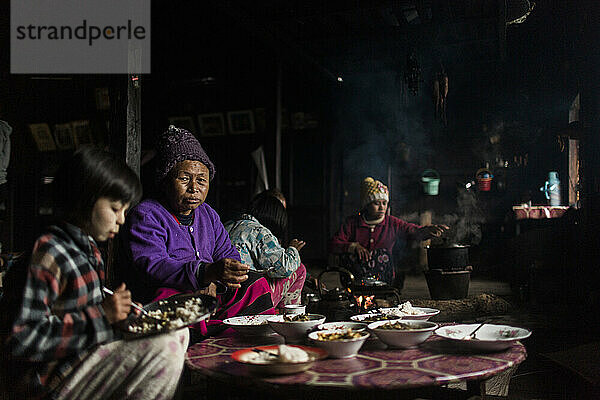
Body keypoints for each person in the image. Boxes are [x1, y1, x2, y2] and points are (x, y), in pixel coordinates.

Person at [0, 147, 188, 400]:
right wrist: (102, 316)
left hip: (78, 361)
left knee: (178, 330)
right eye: (114, 208)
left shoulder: (89, 250)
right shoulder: (49, 252)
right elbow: (20, 341)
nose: (121, 220)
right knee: (166, 347)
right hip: (48, 382)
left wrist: (120, 317)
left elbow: (79, 315)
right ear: (83, 198)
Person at [121, 126, 274, 336]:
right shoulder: (147, 214)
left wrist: (218, 278)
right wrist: (203, 273)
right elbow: (153, 265)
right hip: (175, 292)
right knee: (167, 298)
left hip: (213, 291)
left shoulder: (208, 214)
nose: (194, 187)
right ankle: (203, 338)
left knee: (256, 284)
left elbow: (228, 253)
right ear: (165, 181)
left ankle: (237, 335)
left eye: (201, 180)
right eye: (184, 179)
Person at [329, 177, 448, 287]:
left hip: (383, 279)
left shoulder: (392, 223)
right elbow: (334, 244)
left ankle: (384, 294)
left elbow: (412, 230)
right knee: (348, 256)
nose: (382, 207)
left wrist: (427, 231)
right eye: (376, 203)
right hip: (356, 279)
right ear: (367, 205)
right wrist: (353, 246)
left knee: (383, 254)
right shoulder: (352, 223)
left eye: (384, 203)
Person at [224, 191, 306, 307]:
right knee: (299, 269)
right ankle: (287, 316)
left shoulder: (227, 225)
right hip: (245, 300)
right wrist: (293, 249)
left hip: (223, 297)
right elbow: (284, 267)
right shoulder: (258, 231)